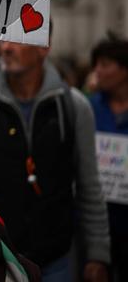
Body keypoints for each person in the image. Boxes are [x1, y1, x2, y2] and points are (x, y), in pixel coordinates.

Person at [0, 39, 111, 281]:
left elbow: (89, 186)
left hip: (56, 260)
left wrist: (98, 254)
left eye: (18, 40)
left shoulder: (74, 105)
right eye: (3, 39)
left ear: (44, 47)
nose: (6, 48)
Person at [89, 35, 128, 281]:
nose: (98, 71)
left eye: (105, 64)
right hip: (98, 222)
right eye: (96, 64)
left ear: (124, 69)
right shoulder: (89, 107)